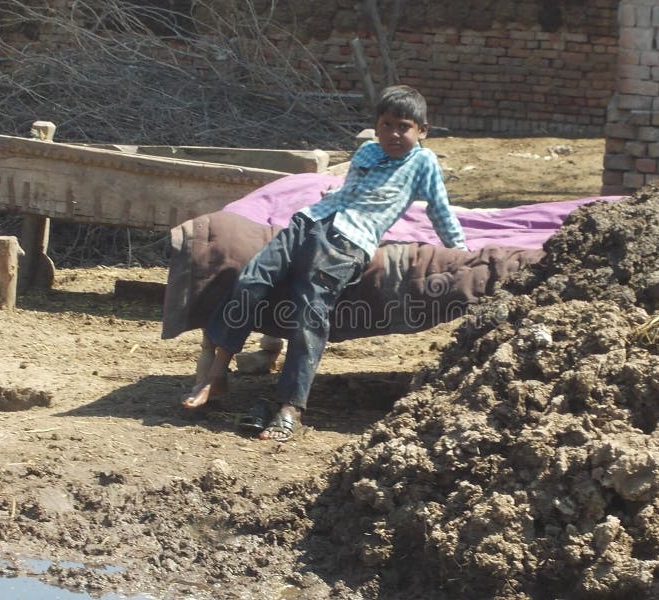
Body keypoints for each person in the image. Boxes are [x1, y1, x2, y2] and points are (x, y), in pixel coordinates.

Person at [181, 85, 468, 441]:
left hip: (348, 240)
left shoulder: (422, 162)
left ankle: (290, 406)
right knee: (252, 278)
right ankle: (217, 374)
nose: (394, 134)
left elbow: (440, 210)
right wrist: (325, 199)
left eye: (404, 127)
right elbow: (348, 191)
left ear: (422, 130)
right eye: (387, 125)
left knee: (311, 311)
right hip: (308, 222)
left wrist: (461, 251)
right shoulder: (366, 150)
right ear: (376, 126)